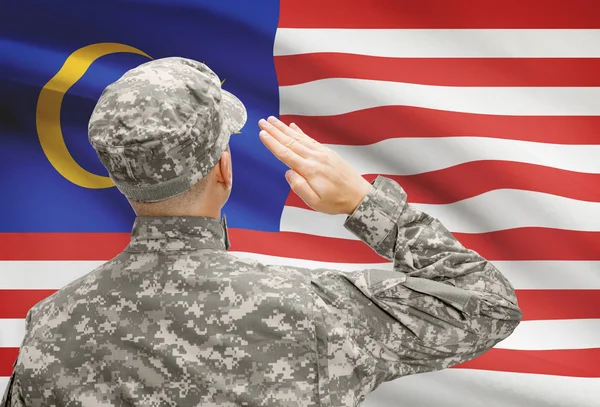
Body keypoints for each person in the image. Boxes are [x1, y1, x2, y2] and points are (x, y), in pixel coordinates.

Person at [1, 57, 522, 407]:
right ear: (223, 168)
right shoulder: (317, 310)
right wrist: (366, 204)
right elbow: (488, 304)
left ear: (119, 176)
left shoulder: (51, 325)